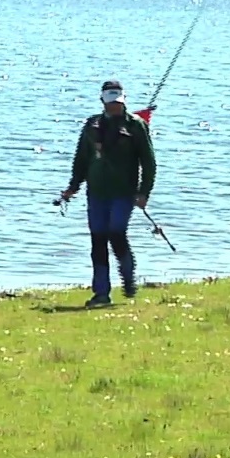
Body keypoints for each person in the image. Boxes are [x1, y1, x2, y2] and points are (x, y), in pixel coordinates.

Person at [58, 79, 156, 308]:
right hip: (96, 193)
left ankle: (128, 277)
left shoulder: (136, 126)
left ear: (123, 100)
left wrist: (144, 192)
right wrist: (73, 187)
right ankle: (101, 292)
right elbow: (81, 159)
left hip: (124, 192)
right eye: (111, 102)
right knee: (98, 240)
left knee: (117, 233)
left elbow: (149, 163)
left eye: (118, 102)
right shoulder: (92, 126)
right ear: (102, 100)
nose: (115, 107)